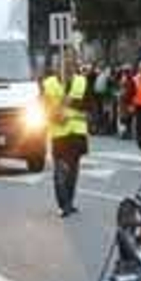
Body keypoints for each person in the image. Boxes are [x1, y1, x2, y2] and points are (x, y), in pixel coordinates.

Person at [42, 47, 90, 216]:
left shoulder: (81, 81)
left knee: (73, 172)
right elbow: (43, 107)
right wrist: (55, 115)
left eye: (72, 61)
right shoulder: (48, 83)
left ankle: (69, 201)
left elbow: (89, 105)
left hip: (77, 133)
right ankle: (63, 204)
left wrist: (71, 103)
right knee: (60, 172)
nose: (69, 65)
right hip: (59, 133)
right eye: (65, 62)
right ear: (57, 65)